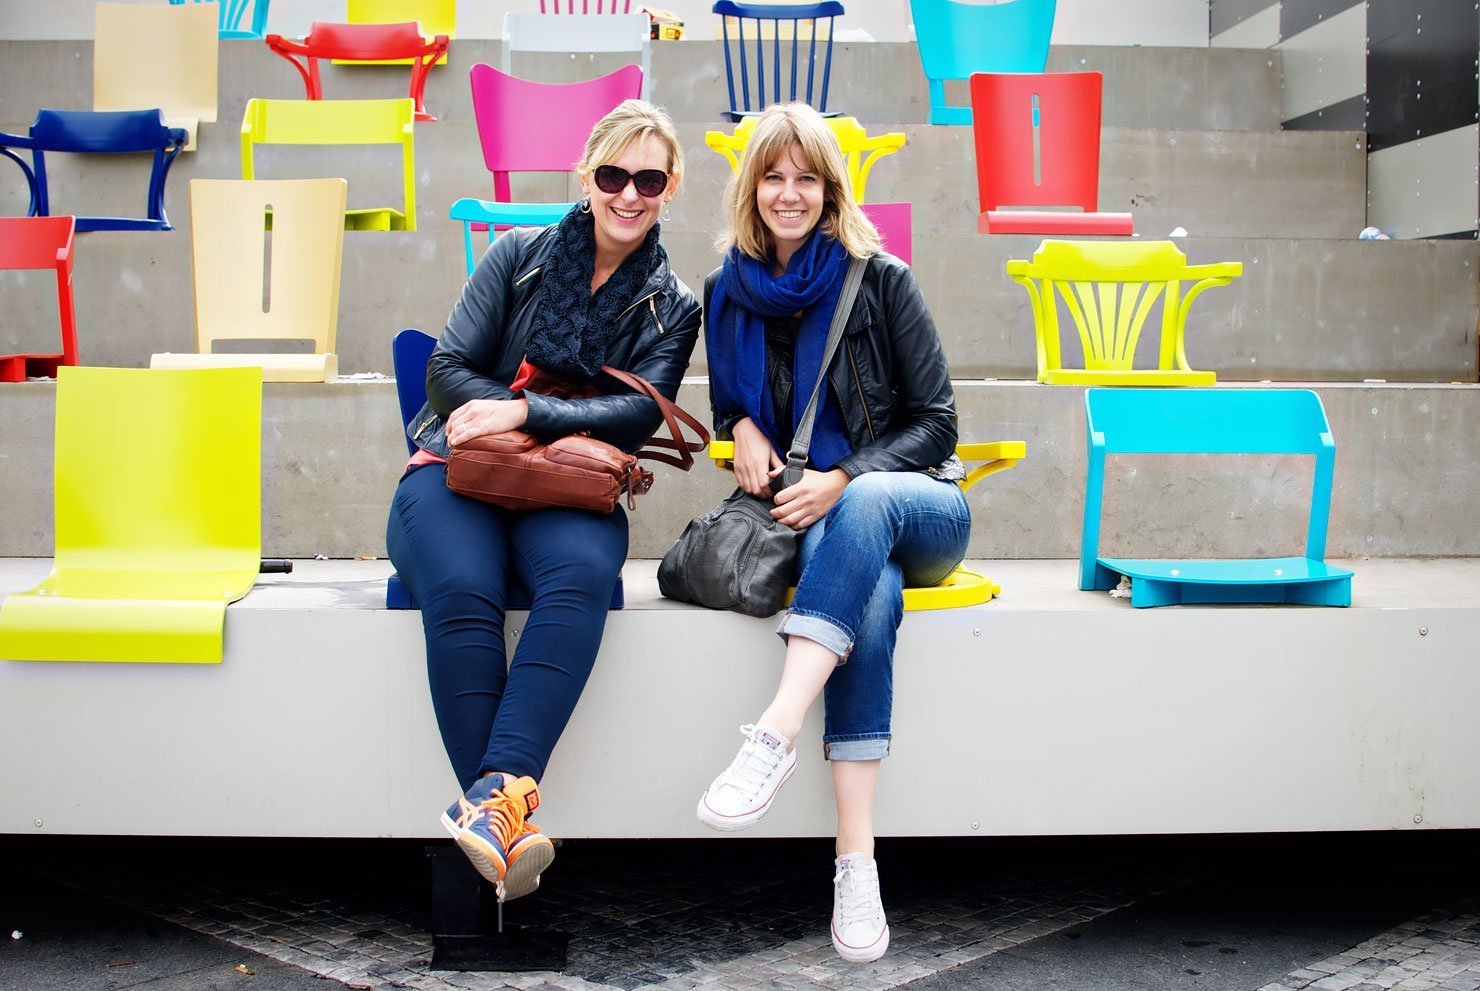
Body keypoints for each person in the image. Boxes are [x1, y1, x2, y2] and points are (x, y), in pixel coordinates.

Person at [386, 100, 699, 901]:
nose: (630, 194)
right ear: (586, 176)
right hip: (459, 469)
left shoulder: (674, 304)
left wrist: (527, 411)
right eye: (613, 174)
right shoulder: (516, 256)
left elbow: (640, 412)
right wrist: (499, 417)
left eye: (649, 179)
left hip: (570, 484)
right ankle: (504, 810)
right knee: (461, 587)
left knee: (580, 578)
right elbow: (448, 370)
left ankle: (489, 804)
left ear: (671, 188)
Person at [696, 103, 969, 963]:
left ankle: (773, 730)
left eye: (805, 177)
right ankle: (857, 864)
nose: (788, 193)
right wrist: (737, 422)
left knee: (865, 512)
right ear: (751, 188)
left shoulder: (881, 277)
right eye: (773, 176)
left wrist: (848, 475)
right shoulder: (725, 292)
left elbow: (938, 423)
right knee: (871, 603)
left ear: (830, 187)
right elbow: (733, 405)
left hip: (918, 505)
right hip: (822, 529)